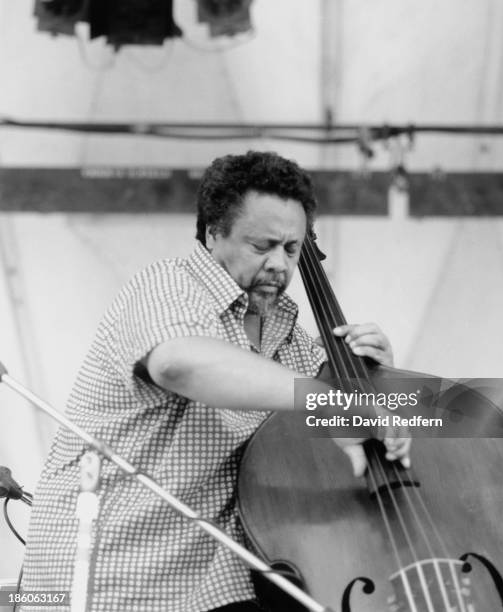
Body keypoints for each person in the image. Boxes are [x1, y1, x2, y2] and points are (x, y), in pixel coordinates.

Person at [22, 151, 409, 612]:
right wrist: (327, 401)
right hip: (110, 582)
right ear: (213, 233)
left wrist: (376, 380)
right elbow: (180, 363)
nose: (280, 266)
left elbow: (332, 454)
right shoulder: (167, 286)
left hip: (217, 589)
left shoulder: (295, 345)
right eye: (261, 245)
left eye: (291, 249)